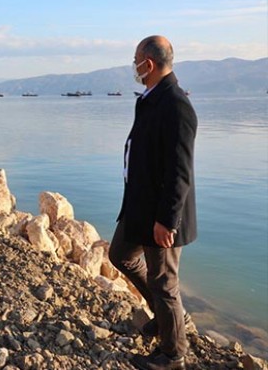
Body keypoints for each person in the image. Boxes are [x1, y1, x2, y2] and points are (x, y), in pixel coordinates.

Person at [109, 35, 198, 370]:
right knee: (120, 255)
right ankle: (164, 317)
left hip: (161, 215)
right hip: (138, 208)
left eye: (136, 59)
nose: (133, 65)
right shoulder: (151, 98)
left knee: (164, 282)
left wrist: (168, 220)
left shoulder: (175, 103)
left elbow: (180, 170)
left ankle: (173, 354)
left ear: (148, 62)